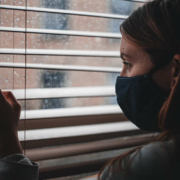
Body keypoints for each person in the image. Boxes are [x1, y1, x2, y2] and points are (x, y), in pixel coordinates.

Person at [0, 0, 180, 180]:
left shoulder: (148, 167)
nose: (121, 77)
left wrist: (9, 147)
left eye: (128, 63)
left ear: (175, 71)